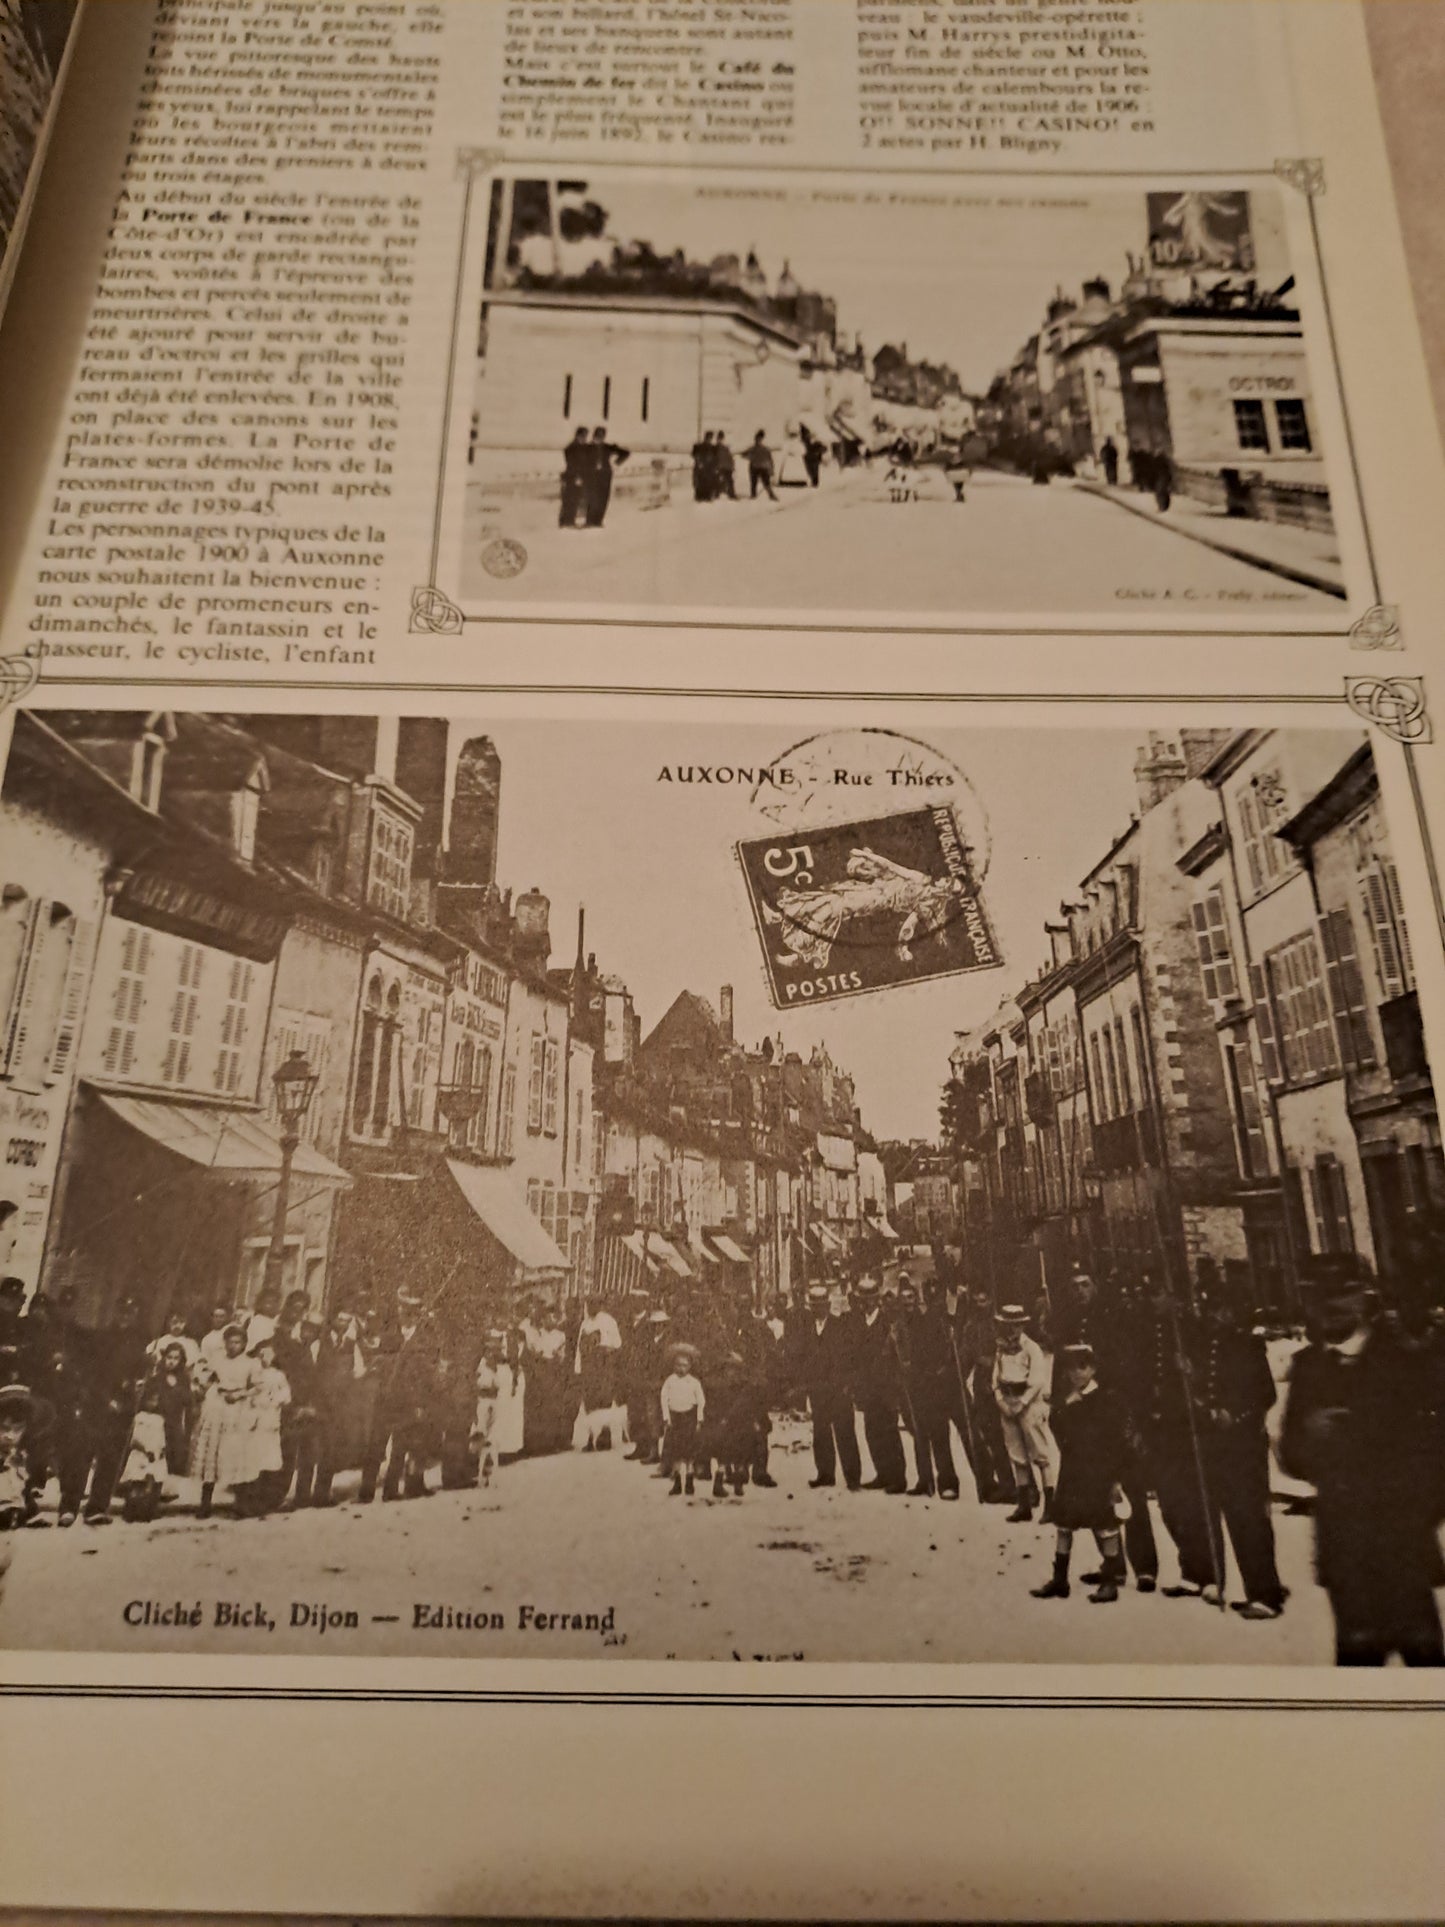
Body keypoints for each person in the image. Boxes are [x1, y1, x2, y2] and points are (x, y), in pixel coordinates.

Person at [1280, 1267, 1445, 1666]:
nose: (1331, 1308)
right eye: (1321, 1299)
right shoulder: (1308, 1368)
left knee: (1425, 1665)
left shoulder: (1408, 1363)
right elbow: (1290, 1456)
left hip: (1401, 1543)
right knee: (1359, 1667)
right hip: (1344, 1546)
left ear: (1364, 1300)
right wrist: (1310, 1437)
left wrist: (1420, 1514)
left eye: (1342, 1296)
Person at [1191, 1281, 1288, 1619]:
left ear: (1231, 1312)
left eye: (1220, 1309)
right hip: (1213, 1444)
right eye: (1208, 1308)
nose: (1214, 1315)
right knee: (1222, 1514)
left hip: (1244, 1444)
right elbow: (1202, 1387)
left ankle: (1267, 1593)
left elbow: (1266, 1396)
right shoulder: (1202, 1345)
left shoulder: (1248, 1346)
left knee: (1251, 1519)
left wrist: (1235, 1416)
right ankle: (1226, 1583)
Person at [1029, 1344, 1130, 1603]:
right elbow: (1058, 1430)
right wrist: (1065, 1406)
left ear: (1093, 1368)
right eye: (1072, 1369)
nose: (1077, 1374)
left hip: (1100, 1471)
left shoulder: (1108, 1398)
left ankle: (1110, 1582)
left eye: (1082, 1368)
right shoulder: (1069, 1400)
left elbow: (1117, 1440)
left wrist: (1116, 1478)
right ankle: (1060, 1579)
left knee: (1105, 1525)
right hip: (1073, 1469)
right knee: (1064, 1525)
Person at [991, 1304, 1056, 1522]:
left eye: (1015, 1326)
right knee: (1017, 1455)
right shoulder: (1000, 1348)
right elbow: (995, 1377)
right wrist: (1000, 1400)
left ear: (1022, 1326)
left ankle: (1050, 1505)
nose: (1011, 1330)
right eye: (1007, 1325)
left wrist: (1023, 1402)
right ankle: (1024, 1505)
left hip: (1028, 1404)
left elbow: (1037, 1380)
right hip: (1008, 1404)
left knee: (1040, 1454)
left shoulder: (1032, 1348)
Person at [794, 1280, 861, 1490]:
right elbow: (803, 1357)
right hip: (818, 1390)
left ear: (828, 1304)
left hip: (838, 1389)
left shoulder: (840, 1325)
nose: (818, 1308)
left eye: (821, 1304)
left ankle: (852, 1477)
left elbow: (850, 1357)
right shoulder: (806, 1328)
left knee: (845, 1432)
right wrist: (806, 1384)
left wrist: (848, 1384)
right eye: (814, 1305)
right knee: (821, 1432)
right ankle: (825, 1474)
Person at [190, 1324, 261, 1518]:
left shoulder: (251, 1363)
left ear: (244, 1344)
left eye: (237, 1342)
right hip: (217, 1407)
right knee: (211, 1452)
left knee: (236, 1455)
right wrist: (203, 1383)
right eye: (230, 1342)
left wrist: (240, 1395)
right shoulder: (217, 1360)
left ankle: (240, 1504)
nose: (233, 1346)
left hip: (238, 1410)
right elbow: (206, 1379)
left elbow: (257, 1387)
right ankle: (205, 1503)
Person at [850, 1274, 907, 1494]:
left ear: (877, 1299)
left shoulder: (886, 1321)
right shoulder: (858, 1321)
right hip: (868, 1386)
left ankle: (898, 1477)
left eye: (870, 1298)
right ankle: (882, 1473)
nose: (866, 1302)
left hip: (886, 1386)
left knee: (889, 1431)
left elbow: (896, 1354)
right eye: (862, 1299)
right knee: (872, 1430)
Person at [906, 1276, 961, 1498]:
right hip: (923, 1382)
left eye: (937, 1294)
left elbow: (953, 1355)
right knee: (920, 1433)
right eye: (929, 1294)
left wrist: (945, 1367)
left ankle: (948, 1482)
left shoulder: (948, 1319)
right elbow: (916, 1352)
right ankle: (925, 1480)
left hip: (944, 1384)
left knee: (940, 1434)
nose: (933, 1298)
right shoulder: (921, 1320)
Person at [660, 1343, 706, 1496]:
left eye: (685, 1365)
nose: (681, 1368)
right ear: (673, 1365)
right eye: (678, 1365)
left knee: (689, 1452)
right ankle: (678, 1482)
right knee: (676, 1451)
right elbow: (664, 1399)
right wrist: (666, 1418)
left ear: (690, 1366)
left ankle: (690, 1481)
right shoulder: (670, 1381)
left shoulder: (694, 1382)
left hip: (689, 1418)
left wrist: (699, 1419)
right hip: (675, 1418)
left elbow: (701, 1402)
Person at [472, 1331, 505, 1487]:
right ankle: (480, 1473)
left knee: (492, 1439)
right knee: (482, 1437)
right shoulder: (481, 1366)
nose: (492, 1352)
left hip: (493, 1401)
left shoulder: (494, 1367)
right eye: (490, 1350)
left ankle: (489, 1472)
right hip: (483, 1401)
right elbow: (479, 1385)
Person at [584, 425, 629, 527]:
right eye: (598, 435)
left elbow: (626, 453)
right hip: (591, 476)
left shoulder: (608, 447)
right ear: (594, 435)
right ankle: (590, 521)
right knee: (592, 498)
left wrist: (617, 463)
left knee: (603, 498)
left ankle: (598, 521)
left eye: (602, 436)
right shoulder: (587, 448)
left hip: (605, 476)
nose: (599, 438)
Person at [559, 427, 593, 528]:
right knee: (570, 499)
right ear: (578, 435)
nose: (585, 438)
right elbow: (572, 464)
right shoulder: (572, 448)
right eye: (583, 436)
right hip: (572, 476)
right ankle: (566, 521)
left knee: (575, 499)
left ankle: (569, 521)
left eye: (586, 436)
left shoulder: (581, 447)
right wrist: (577, 477)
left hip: (578, 476)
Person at [746, 429, 777, 501]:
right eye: (757, 439)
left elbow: (770, 460)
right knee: (757, 483)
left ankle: (770, 495)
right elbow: (770, 460)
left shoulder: (762, 449)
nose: (758, 441)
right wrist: (771, 469)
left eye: (759, 439)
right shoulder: (760, 449)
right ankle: (756, 495)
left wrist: (771, 469)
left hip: (759, 467)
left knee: (764, 483)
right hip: (758, 467)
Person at [711, 433, 737, 499]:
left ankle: (731, 494)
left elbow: (730, 457)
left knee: (729, 481)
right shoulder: (714, 448)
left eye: (721, 439)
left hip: (727, 467)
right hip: (719, 467)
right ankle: (716, 493)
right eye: (718, 439)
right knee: (717, 480)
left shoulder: (725, 448)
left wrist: (732, 466)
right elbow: (713, 458)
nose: (719, 440)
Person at [691, 430, 715, 502]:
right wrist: (699, 462)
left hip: (706, 469)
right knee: (701, 482)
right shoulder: (700, 446)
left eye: (710, 438)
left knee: (705, 483)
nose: (710, 440)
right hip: (702, 468)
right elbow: (695, 455)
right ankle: (701, 497)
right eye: (709, 438)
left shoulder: (711, 447)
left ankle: (704, 496)